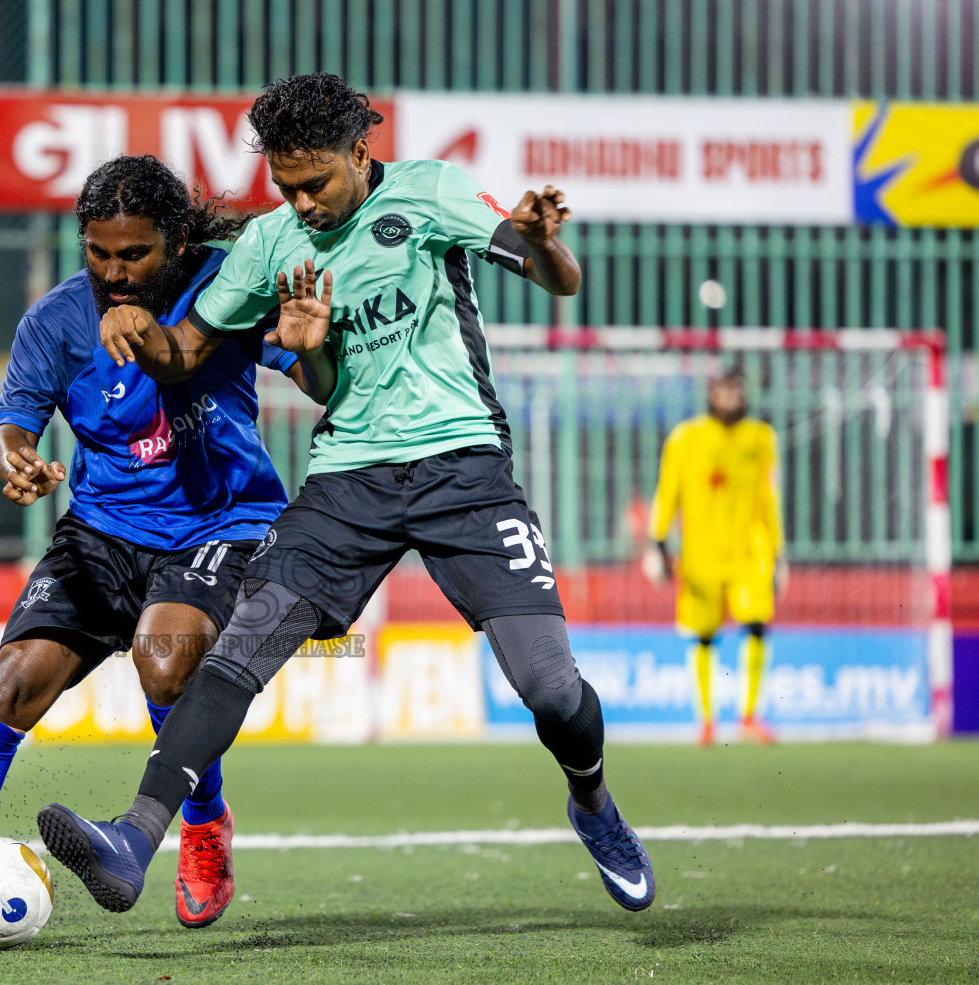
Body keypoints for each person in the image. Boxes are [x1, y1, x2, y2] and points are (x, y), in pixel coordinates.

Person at [36, 73, 657, 917]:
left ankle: (593, 802)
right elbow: (183, 352)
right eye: (285, 186)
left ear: (361, 153)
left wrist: (544, 242)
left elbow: (560, 278)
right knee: (240, 646)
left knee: (549, 688)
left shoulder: (428, 193)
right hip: (347, 481)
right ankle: (134, 837)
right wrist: (143, 333)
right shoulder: (269, 245)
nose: (302, 203)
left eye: (315, 183)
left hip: (462, 470)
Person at [0, 155, 329, 954]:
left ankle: (203, 820)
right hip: (101, 530)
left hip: (218, 524)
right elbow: (14, 424)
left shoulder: (228, 288)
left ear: (176, 242)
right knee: (11, 684)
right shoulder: (55, 321)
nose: (113, 271)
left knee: (163, 660)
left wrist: (310, 347)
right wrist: (17, 460)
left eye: (134, 254)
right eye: (98, 252)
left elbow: (318, 379)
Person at [643, 368, 784, 746]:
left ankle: (749, 716)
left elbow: (769, 499)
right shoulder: (687, 438)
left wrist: (778, 552)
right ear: (711, 393)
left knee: (757, 624)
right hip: (700, 556)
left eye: (737, 390)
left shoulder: (761, 438)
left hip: (749, 554)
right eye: (724, 390)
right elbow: (668, 491)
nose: (731, 398)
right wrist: (657, 542)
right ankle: (706, 721)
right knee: (703, 635)